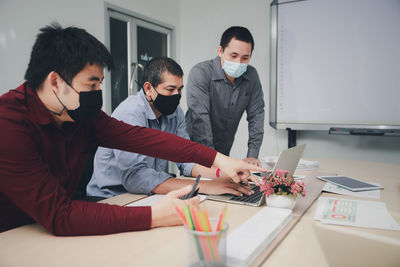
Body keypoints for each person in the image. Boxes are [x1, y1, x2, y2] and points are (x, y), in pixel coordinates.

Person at [0, 24, 265, 236]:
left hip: (48, 229)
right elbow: (60, 215)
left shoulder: (80, 114)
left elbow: (145, 139)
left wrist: (220, 160)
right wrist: (157, 216)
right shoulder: (8, 124)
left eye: (100, 84)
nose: (97, 94)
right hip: (14, 234)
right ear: (56, 81)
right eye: (91, 85)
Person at [87, 57, 255, 198]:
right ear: (148, 88)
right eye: (170, 89)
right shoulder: (130, 112)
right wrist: (201, 186)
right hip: (111, 196)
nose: (177, 95)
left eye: (180, 89)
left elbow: (187, 162)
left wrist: (222, 173)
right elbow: (136, 178)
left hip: (146, 193)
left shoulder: (175, 113)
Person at [185, 26, 265, 167]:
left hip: (223, 152)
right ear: (220, 51)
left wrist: (252, 156)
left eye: (245, 58)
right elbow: (200, 118)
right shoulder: (201, 73)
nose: (238, 62)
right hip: (195, 152)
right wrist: (214, 161)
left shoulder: (251, 76)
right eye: (233, 56)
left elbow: (257, 115)